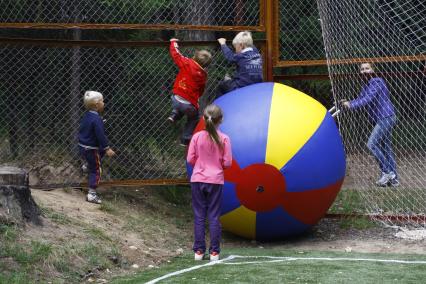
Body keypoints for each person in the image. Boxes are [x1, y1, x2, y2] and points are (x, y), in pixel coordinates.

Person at [186, 104, 232, 261]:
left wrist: (201, 166)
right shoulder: (224, 139)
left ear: (204, 119)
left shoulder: (197, 137)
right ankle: (214, 252)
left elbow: (190, 159)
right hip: (215, 181)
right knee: (214, 216)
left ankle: (198, 252)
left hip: (198, 179)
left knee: (199, 215)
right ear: (221, 120)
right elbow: (227, 163)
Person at [342, 63, 399, 187]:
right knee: (386, 149)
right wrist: (349, 102)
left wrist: (351, 105)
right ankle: (394, 180)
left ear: (373, 70)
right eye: (362, 69)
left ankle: (387, 172)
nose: (364, 71)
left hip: (386, 117)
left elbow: (367, 99)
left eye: (367, 68)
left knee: (371, 144)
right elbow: (360, 98)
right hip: (382, 119)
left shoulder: (376, 82)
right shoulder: (366, 85)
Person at [168, 38, 212, 146]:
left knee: (180, 105)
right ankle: (186, 138)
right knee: (194, 118)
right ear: (206, 65)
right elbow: (201, 90)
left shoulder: (187, 63)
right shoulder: (203, 76)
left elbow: (176, 55)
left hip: (176, 98)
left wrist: (173, 42)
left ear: (195, 57)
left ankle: (174, 115)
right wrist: (196, 96)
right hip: (189, 105)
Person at [78, 91, 115, 204]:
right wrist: (107, 148)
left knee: (97, 156)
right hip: (91, 148)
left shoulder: (87, 115)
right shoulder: (97, 119)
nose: (104, 103)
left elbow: (88, 127)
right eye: (102, 101)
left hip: (82, 146)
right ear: (97, 104)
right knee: (97, 170)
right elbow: (100, 135)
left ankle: (87, 165)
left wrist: (100, 122)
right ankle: (92, 194)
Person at [216, 31, 263, 98]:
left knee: (221, 85)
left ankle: (218, 106)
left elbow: (229, 56)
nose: (235, 50)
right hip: (256, 86)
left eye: (235, 47)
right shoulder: (257, 54)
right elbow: (251, 45)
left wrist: (223, 44)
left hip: (241, 87)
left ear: (241, 45)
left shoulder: (241, 56)